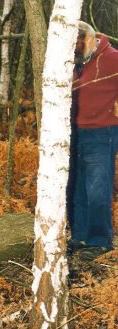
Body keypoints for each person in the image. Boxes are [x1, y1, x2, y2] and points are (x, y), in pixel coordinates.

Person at [68, 21, 118, 260]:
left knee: (97, 187)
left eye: (76, 45)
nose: (74, 50)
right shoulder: (73, 60)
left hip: (102, 132)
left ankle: (100, 241)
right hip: (74, 133)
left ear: (86, 39)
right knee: (77, 188)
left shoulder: (112, 58)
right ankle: (80, 237)